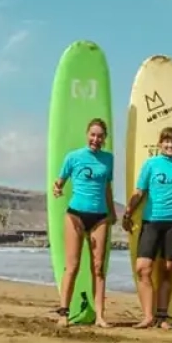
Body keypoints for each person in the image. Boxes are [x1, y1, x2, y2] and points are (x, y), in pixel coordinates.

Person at [122, 126, 172, 329]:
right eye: (166, 141)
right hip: (151, 221)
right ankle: (148, 316)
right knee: (143, 268)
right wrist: (128, 212)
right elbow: (140, 191)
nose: (170, 145)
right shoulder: (151, 165)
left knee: (167, 269)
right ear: (160, 144)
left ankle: (162, 316)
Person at [52, 117, 116, 328]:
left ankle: (100, 316)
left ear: (104, 138)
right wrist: (57, 188)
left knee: (98, 268)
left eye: (100, 136)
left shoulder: (108, 159)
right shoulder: (73, 157)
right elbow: (60, 181)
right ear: (87, 135)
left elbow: (107, 187)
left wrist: (112, 213)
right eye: (93, 135)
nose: (96, 139)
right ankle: (63, 313)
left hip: (100, 217)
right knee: (72, 266)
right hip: (75, 215)